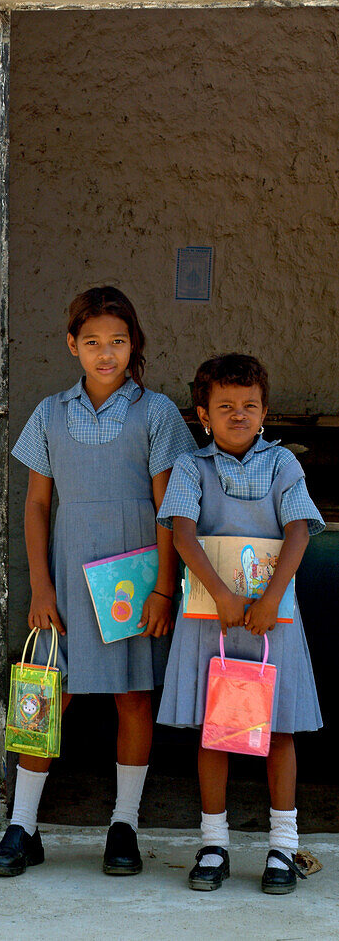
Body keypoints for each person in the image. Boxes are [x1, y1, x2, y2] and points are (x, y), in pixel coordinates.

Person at [0, 286, 196, 878]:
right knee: (47, 697)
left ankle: (123, 824)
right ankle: (22, 827)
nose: (107, 354)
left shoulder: (155, 414)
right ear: (72, 345)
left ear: (134, 347)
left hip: (134, 578)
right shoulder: (49, 414)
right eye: (94, 342)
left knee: (133, 696)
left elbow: (169, 507)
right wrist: (42, 588)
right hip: (67, 580)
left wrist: (162, 587)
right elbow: (36, 507)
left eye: (119, 342)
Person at [157, 354, 324, 895]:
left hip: (274, 621)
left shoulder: (284, 466)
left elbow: (298, 530)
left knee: (278, 730)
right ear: (203, 415)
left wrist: (271, 598)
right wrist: (225, 595)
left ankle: (282, 845)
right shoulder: (191, 468)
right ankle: (213, 842)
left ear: (264, 411)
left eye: (249, 406)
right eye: (224, 406)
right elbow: (183, 532)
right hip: (214, 618)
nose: (238, 415)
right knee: (218, 731)